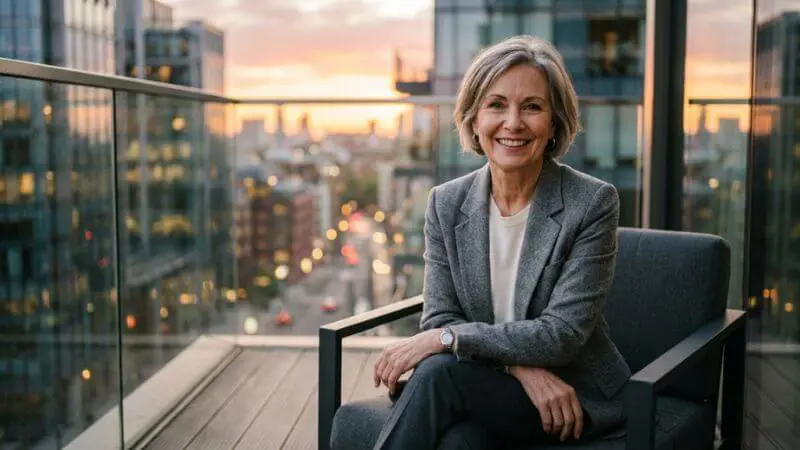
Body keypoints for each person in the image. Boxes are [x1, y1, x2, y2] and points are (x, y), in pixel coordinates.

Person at [331, 35, 631, 450]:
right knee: (461, 443)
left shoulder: (591, 203)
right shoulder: (446, 204)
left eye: (532, 106)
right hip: (489, 384)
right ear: (473, 120)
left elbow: (561, 334)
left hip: (569, 394)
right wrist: (519, 369)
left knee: (437, 374)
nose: (513, 123)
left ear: (554, 123)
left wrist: (447, 341)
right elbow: (440, 317)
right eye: (496, 105)